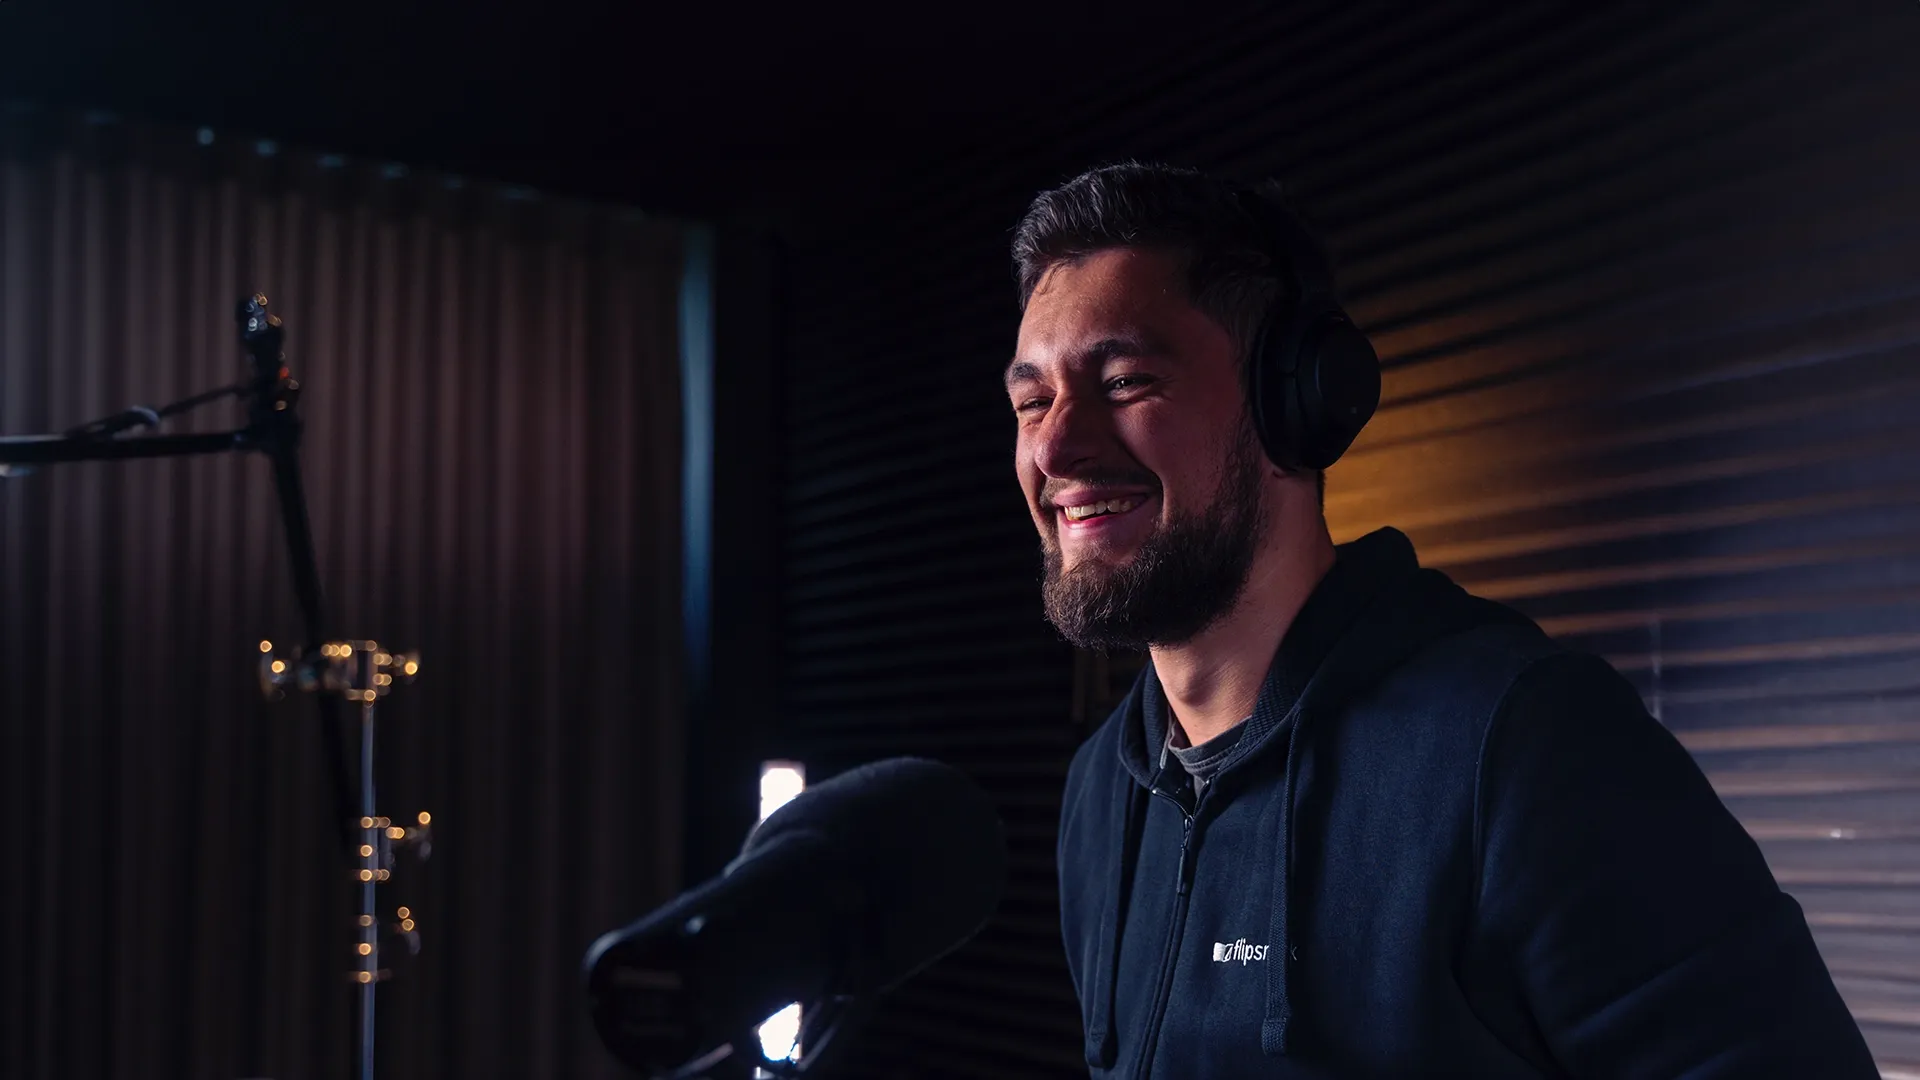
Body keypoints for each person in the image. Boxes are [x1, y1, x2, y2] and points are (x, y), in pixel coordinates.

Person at [1008, 162, 1878, 1078]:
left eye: (1125, 381)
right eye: (1032, 401)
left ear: (1291, 402)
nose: (1056, 445)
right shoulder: (1102, 793)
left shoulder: (1524, 745)